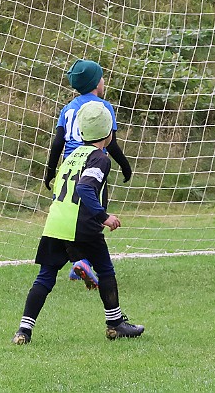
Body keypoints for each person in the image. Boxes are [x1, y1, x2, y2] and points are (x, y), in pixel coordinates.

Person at [12, 101, 144, 344]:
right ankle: (115, 324)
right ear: (109, 133)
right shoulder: (100, 159)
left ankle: (24, 330)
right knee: (105, 270)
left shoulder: (71, 156)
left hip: (55, 222)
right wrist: (104, 217)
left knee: (45, 276)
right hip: (81, 225)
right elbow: (84, 188)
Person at [44, 59, 132, 287]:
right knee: (93, 215)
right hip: (92, 163)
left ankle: (79, 261)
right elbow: (110, 143)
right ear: (96, 83)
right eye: (102, 77)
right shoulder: (102, 108)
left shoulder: (67, 108)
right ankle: (85, 262)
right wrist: (124, 164)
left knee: (65, 217)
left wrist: (50, 170)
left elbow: (56, 143)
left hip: (68, 168)